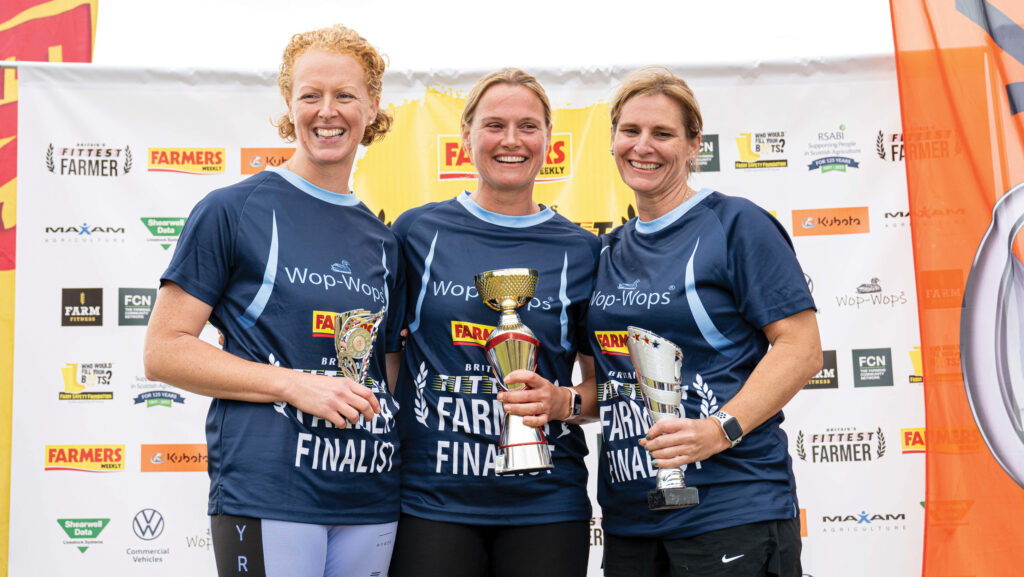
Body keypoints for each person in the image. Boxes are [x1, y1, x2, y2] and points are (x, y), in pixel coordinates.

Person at [143, 24, 404, 577]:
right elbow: (164, 350)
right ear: (289, 101)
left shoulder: (384, 240)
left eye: (345, 95)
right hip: (271, 492)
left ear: (373, 105)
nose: (327, 111)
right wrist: (293, 383)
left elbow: (388, 369)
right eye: (311, 95)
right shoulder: (233, 209)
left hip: (371, 494)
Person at [586, 66, 822, 577]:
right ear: (612, 139)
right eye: (631, 131)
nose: (643, 146)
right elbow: (602, 383)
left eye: (663, 134)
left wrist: (720, 429)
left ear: (694, 145)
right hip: (631, 519)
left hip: (731, 508)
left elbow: (801, 350)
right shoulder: (606, 250)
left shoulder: (736, 223)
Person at [388, 68, 600, 577]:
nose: (511, 140)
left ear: (550, 140)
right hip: (432, 498)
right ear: (465, 137)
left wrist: (562, 402)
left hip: (545, 502)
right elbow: (390, 362)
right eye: (494, 125)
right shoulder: (417, 232)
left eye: (528, 126)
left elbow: (603, 387)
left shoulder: (583, 249)